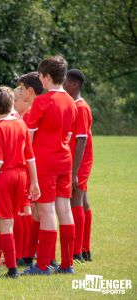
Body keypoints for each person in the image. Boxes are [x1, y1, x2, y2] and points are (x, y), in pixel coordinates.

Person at [0, 86, 40, 278]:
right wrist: (34, 181)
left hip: (4, 177)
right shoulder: (20, 124)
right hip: (21, 176)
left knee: (5, 223)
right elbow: (30, 156)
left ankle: (12, 270)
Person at [22, 55, 77, 275]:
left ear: (46, 77)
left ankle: (43, 264)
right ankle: (67, 264)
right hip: (65, 161)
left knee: (46, 211)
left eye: (40, 77)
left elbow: (29, 138)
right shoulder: (71, 102)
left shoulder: (42, 102)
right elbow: (69, 133)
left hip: (44, 162)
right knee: (64, 209)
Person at [63, 69, 94, 263]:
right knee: (83, 202)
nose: (63, 84)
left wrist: (74, 173)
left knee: (75, 202)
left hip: (79, 162)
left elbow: (81, 141)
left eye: (65, 82)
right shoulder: (75, 105)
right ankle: (85, 249)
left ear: (74, 85)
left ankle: (76, 252)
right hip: (77, 161)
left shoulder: (80, 107)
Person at [14, 72, 44, 266]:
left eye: (20, 94)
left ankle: (31, 251)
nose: (15, 102)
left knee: (34, 210)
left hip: (32, 167)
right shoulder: (29, 113)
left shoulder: (33, 113)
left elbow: (27, 145)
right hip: (34, 166)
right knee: (33, 210)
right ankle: (28, 251)